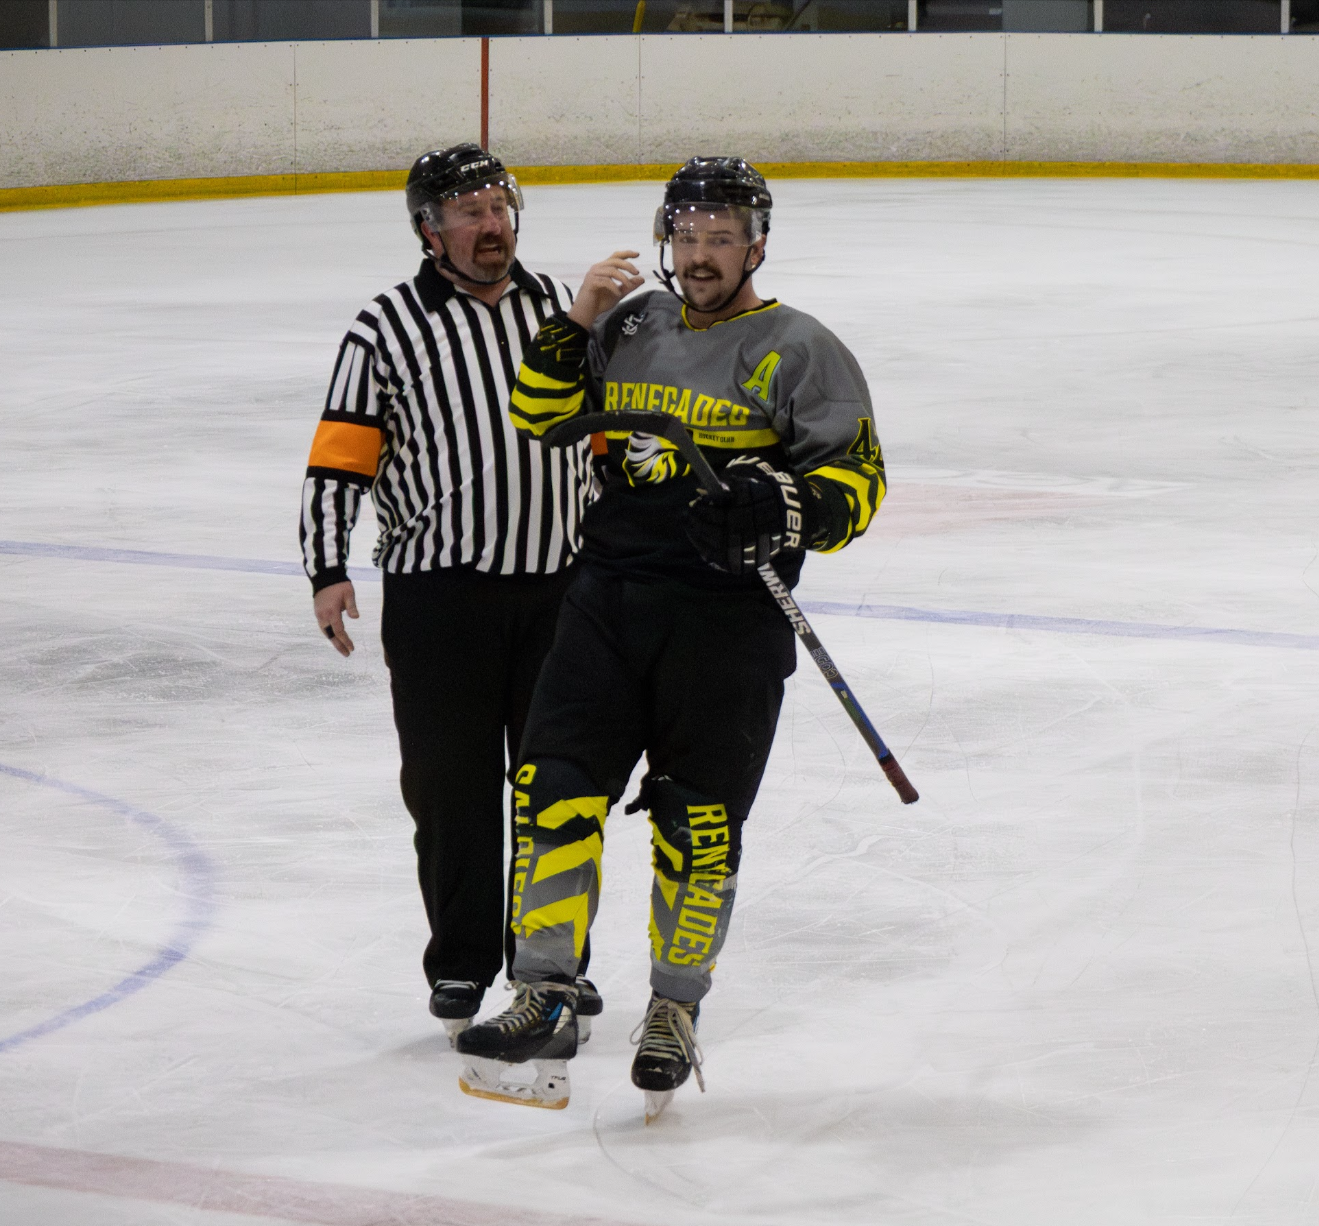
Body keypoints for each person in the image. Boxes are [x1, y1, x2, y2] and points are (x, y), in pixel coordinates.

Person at [453, 157, 886, 1112]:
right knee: (553, 790)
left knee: (697, 821)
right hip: (605, 601)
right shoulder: (630, 324)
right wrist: (571, 324)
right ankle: (543, 992)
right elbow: (540, 416)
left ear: (756, 245)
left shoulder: (798, 347)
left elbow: (857, 483)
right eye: (686, 237)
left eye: (719, 238)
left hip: (727, 622)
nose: (698, 255)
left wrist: (779, 505)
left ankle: (673, 1009)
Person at [298, 143, 602, 1041]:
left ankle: (552, 967)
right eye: (467, 212)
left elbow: (602, 430)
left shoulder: (558, 308)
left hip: (560, 590)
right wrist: (327, 566)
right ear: (429, 232)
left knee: (560, 789)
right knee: (450, 788)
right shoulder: (384, 327)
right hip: (440, 598)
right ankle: (464, 962)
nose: (490, 224)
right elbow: (340, 457)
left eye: (498, 206)